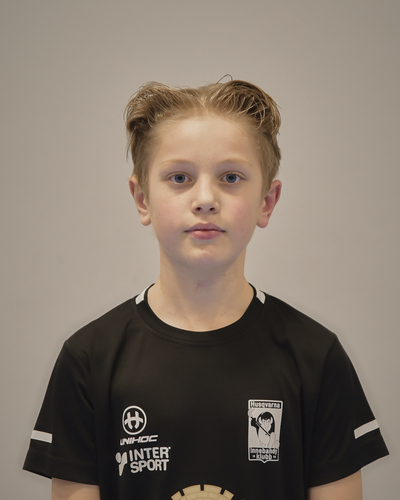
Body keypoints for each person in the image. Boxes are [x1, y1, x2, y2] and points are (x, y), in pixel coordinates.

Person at [23, 79, 389, 500]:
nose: (205, 199)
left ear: (266, 202)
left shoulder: (317, 358)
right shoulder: (89, 360)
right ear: (141, 198)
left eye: (231, 177)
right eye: (179, 177)